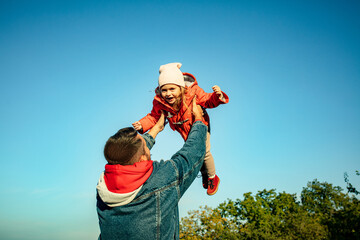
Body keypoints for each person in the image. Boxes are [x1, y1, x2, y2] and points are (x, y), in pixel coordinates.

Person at [96, 98, 208, 240]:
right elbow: (192, 152)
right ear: (142, 157)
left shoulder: (104, 185)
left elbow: (132, 153)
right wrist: (198, 119)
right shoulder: (162, 177)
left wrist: (156, 128)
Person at [132, 62, 229, 195]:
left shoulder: (193, 92)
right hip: (184, 130)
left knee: (205, 152)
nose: (168, 94)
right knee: (195, 153)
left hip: (201, 125)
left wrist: (217, 96)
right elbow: (154, 116)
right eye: (164, 90)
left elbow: (207, 100)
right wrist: (142, 124)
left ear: (181, 87)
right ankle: (205, 174)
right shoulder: (160, 102)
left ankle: (213, 177)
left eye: (172, 89)